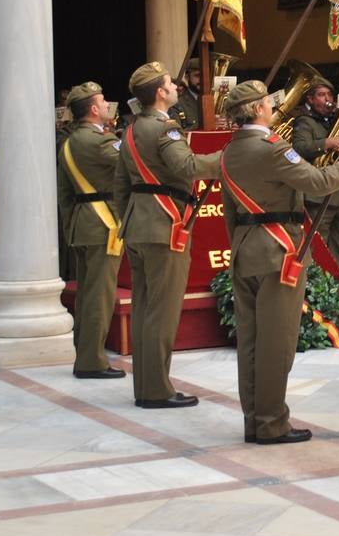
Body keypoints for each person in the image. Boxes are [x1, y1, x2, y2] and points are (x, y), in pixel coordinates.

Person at [220, 79, 339, 444]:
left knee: (250, 342)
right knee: (276, 342)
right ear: (256, 110)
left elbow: (230, 216)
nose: (272, 106)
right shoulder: (272, 148)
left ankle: (254, 419)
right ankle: (271, 422)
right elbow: (317, 182)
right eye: (267, 102)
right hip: (277, 252)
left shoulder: (229, 151)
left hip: (245, 251)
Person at [114, 61, 221, 409]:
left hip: (138, 225)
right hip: (166, 223)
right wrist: (229, 155)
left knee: (145, 308)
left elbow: (119, 186)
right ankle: (157, 390)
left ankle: (145, 387)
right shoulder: (166, 128)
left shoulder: (130, 130)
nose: (176, 87)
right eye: (170, 84)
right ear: (160, 93)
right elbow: (187, 167)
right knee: (162, 311)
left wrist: (130, 217)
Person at [58, 81, 126, 379]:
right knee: (99, 295)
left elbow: (63, 194)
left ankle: (84, 354)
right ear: (94, 108)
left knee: (87, 294)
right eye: (102, 100)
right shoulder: (99, 141)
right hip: (102, 222)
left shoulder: (70, 141)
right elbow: (129, 165)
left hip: (82, 223)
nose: (107, 104)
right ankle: (92, 361)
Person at [291, 78, 339, 269]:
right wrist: (327, 143)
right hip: (319, 194)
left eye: (329, 95)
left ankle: (334, 284)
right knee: (318, 245)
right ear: (310, 100)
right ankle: (317, 285)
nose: (327, 99)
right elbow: (299, 147)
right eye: (321, 95)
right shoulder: (305, 122)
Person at [170, 58, 203, 131]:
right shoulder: (177, 104)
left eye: (205, 76)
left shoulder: (215, 100)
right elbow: (177, 133)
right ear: (187, 77)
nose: (202, 79)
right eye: (197, 75)